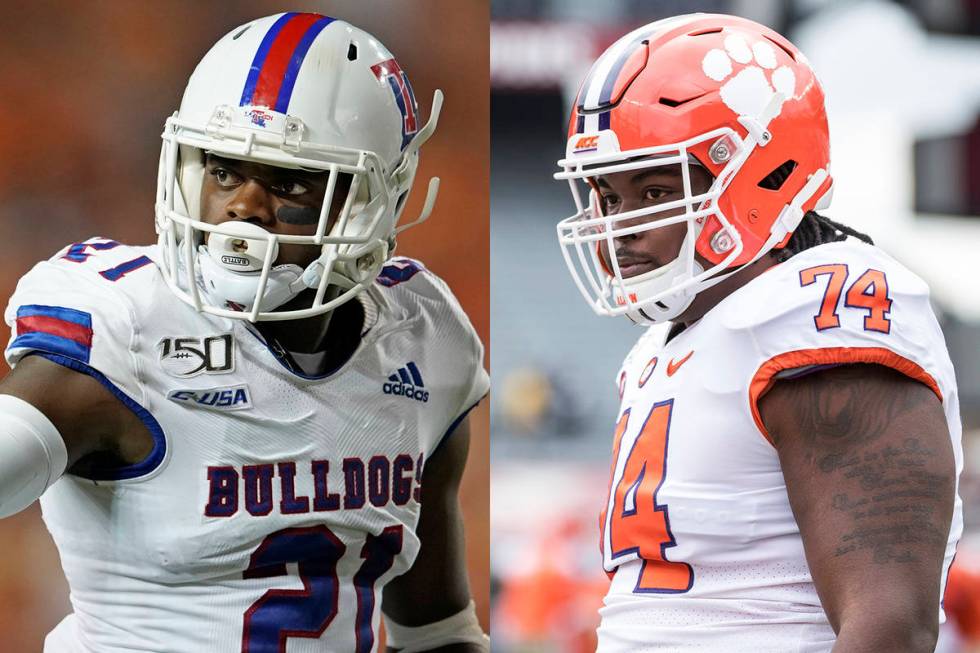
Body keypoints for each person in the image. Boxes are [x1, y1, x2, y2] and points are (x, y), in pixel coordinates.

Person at [0, 12, 488, 653]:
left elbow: (438, 632)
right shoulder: (125, 325)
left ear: (376, 201)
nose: (243, 206)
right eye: (225, 170)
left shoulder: (422, 336)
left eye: (290, 181)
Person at [554, 13, 962, 652]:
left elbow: (890, 626)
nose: (620, 225)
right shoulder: (666, 347)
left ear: (758, 175)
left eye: (655, 190)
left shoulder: (819, 314)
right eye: (608, 197)